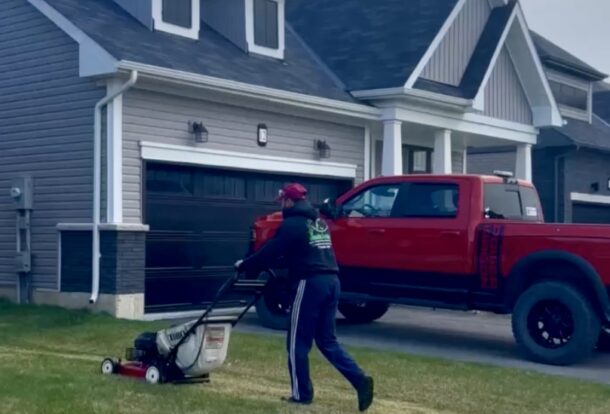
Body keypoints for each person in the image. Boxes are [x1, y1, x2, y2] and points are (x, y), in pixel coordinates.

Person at [235, 183, 374, 412]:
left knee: (296, 342)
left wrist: (245, 265)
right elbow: (303, 250)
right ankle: (360, 381)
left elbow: (271, 251)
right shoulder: (318, 222)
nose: (281, 203)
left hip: (310, 283)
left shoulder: (292, 224)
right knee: (327, 341)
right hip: (332, 281)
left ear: (290, 201)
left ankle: (301, 395)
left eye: (282, 200)